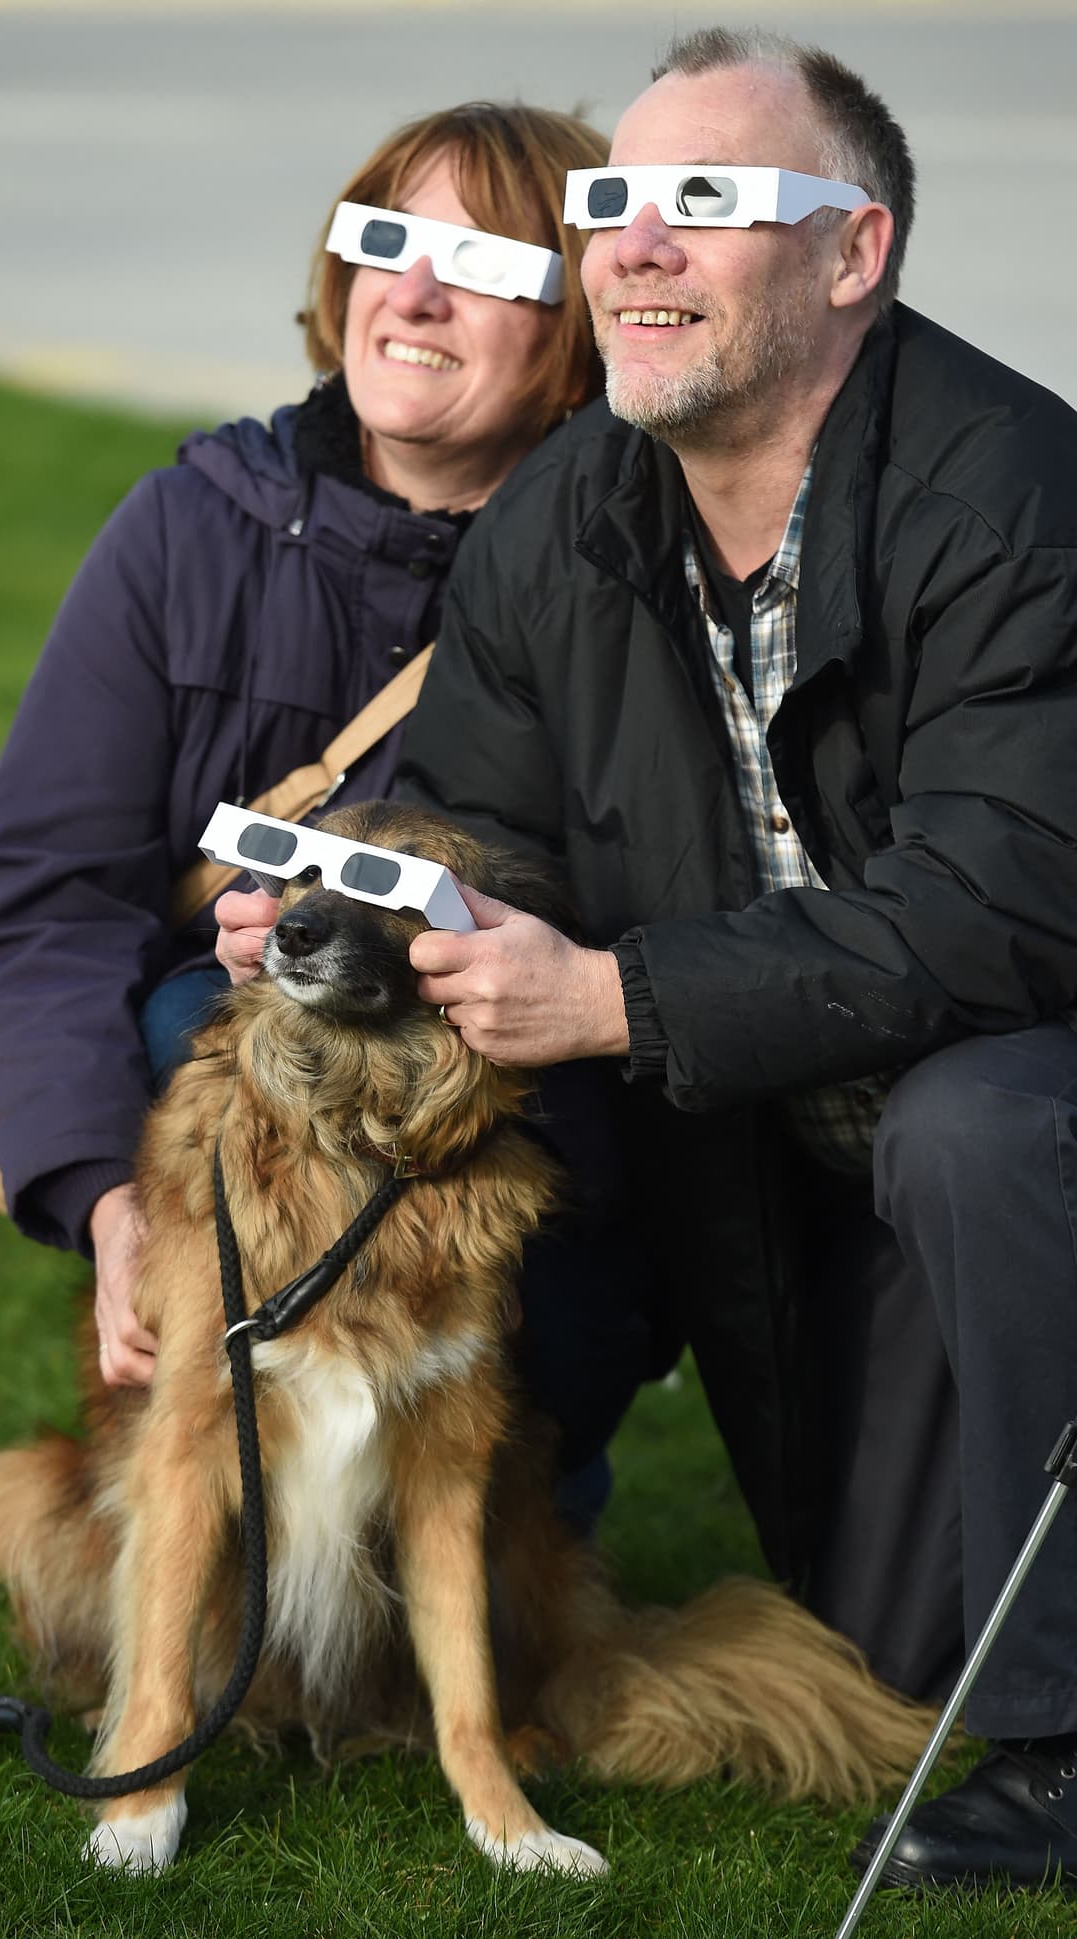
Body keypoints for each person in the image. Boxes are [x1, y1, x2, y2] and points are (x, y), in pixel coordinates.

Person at [385, 27, 1077, 1898]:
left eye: (707, 202)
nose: (633, 246)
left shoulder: (1015, 495)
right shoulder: (574, 508)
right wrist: (357, 903)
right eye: (616, 201)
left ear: (852, 256)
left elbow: (1014, 903)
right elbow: (476, 803)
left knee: (977, 1127)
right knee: (880, 1648)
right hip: (782, 1117)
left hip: (1020, 1087)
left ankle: (1061, 1752)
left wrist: (618, 1000)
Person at [0, 102, 613, 1400]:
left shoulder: (624, 568)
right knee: (196, 1014)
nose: (415, 292)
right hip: (221, 1076)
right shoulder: (190, 525)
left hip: (535, 1100)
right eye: (387, 240)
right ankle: (251, 1441)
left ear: (579, 321)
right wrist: (105, 1200)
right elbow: (47, 901)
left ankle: (501, 1436)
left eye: (483, 264)